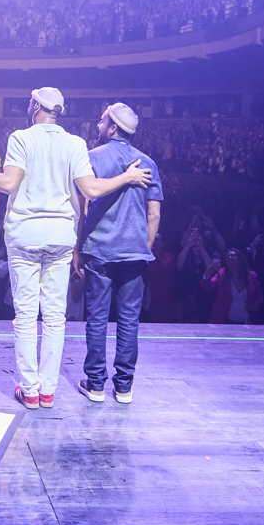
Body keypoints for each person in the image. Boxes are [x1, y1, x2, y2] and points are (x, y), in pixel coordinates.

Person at [0, 88, 152, 410]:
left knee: (26, 316)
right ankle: (48, 391)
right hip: (60, 237)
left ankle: (29, 390)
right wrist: (126, 177)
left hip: (25, 236)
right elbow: (91, 190)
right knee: (55, 317)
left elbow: (9, 184)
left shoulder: (21, 138)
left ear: (36, 106)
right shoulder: (75, 143)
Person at [74, 103, 163, 405]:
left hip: (99, 250)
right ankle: (124, 387)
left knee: (97, 319)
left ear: (112, 127)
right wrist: (144, 247)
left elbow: (83, 208)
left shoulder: (92, 157)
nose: (97, 125)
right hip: (134, 254)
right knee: (128, 321)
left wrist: (77, 247)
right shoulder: (148, 162)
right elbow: (154, 214)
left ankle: (96, 384)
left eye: (101, 121)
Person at [202, 248, 263, 324]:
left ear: (240, 259)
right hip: (223, 320)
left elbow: (258, 296)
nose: (230, 257)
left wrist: (255, 305)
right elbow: (207, 288)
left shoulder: (252, 275)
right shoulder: (221, 273)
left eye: (233, 255)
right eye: (228, 256)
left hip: (245, 320)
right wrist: (207, 274)